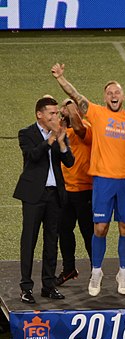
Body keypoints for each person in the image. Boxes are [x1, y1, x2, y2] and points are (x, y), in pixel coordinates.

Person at [52, 63, 125, 296]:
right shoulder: (97, 114)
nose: (113, 95)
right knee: (99, 228)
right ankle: (97, 272)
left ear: (123, 96)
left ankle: (123, 273)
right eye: (109, 93)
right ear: (104, 97)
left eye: (117, 92)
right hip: (102, 181)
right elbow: (75, 95)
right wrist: (61, 78)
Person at [15, 96, 74, 303]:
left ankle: (48, 286)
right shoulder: (26, 133)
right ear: (40, 114)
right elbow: (32, 156)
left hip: (54, 196)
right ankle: (26, 287)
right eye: (52, 113)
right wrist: (49, 141)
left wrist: (61, 143)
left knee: (51, 242)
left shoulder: (58, 134)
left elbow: (70, 162)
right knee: (29, 240)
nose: (55, 116)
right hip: (33, 196)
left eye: (57, 113)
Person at [55, 99, 93, 286]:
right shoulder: (59, 132)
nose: (66, 111)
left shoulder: (85, 127)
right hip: (64, 191)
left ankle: (96, 271)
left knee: (88, 233)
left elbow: (78, 128)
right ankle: (69, 268)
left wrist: (70, 104)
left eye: (70, 108)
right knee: (64, 231)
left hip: (84, 189)